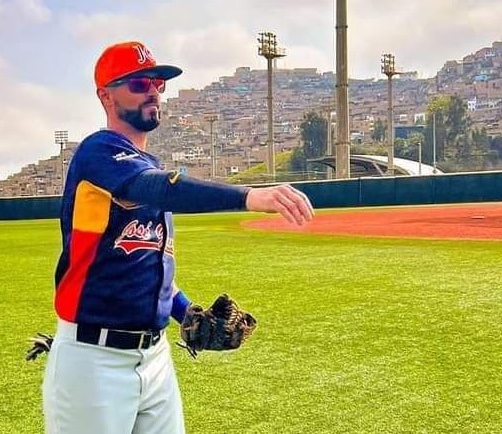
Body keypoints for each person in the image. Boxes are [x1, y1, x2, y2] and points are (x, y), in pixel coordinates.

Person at [42, 40, 314, 434]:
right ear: (105, 96)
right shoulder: (98, 153)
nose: (152, 90)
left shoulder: (149, 168)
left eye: (157, 82)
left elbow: (147, 265)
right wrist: (250, 195)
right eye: (137, 84)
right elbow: (161, 188)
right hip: (92, 362)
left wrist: (185, 311)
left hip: (155, 358)